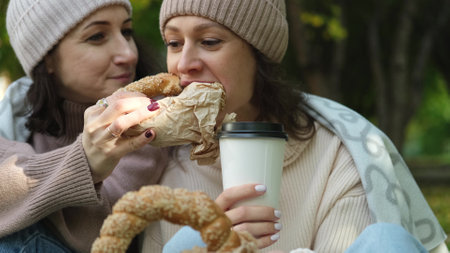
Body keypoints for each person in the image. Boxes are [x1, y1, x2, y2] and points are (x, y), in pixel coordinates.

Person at [136, 0, 448, 252]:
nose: (184, 62)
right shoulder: (161, 162)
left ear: (259, 54)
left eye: (209, 41)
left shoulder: (338, 152)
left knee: (386, 241)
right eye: (174, 43)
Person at [0, 0, 168, 252]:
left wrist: (21, 195)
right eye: (97, 36)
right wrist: (84, 162)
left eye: (126, 31)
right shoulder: (16, 109)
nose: (128, 53)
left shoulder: (150, 117)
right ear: (47, 59)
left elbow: (96, 231)